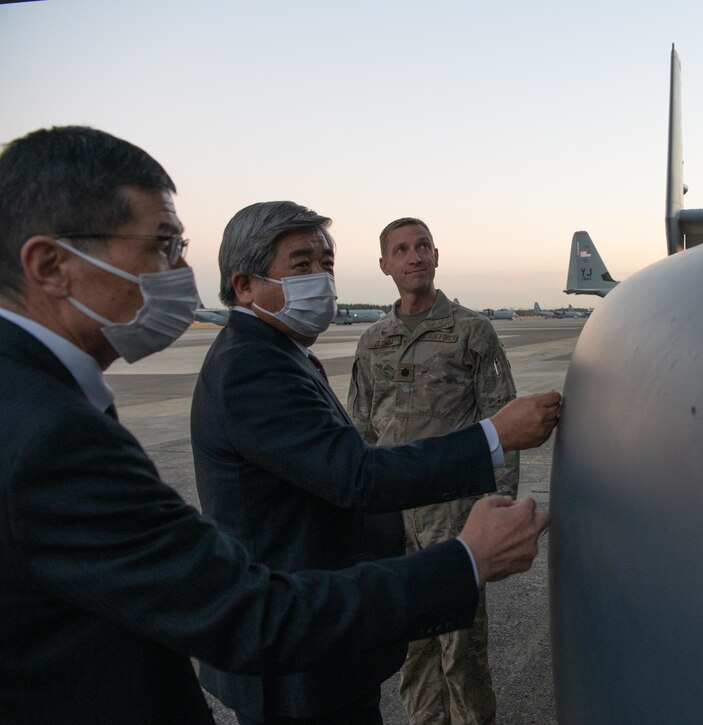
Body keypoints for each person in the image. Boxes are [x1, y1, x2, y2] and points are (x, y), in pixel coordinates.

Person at [0, 126, 555, 725]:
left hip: (316, 646)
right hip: (296, 668)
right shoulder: (55, 429)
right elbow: (255, 597)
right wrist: (467, 556)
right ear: (51, 265)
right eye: (162, 245)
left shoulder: (269, 356)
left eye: (326, 263)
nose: (180, 269)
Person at [190, 201, 561, 725]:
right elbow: (357, 466)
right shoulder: (254, 367)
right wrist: (494, 437)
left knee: (460, 654)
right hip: (295, 645)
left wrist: (491, 501)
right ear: (245, 285)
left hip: (362, 583)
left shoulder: (281, 353)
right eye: (301, 264)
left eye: (326, 263)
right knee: (418, 661)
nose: (321, 278)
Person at [347, 217, 516, 724]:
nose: (414, 256)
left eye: (423, 246)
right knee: (412, 649)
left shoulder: (471, 332)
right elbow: (361, 428)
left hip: (455, 513)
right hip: (395, 517)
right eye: (401, 250)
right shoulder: (372, 341)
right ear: (385, 265)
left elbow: (503, 421)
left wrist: (498, 504)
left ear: (437, 256)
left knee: (461, 648)